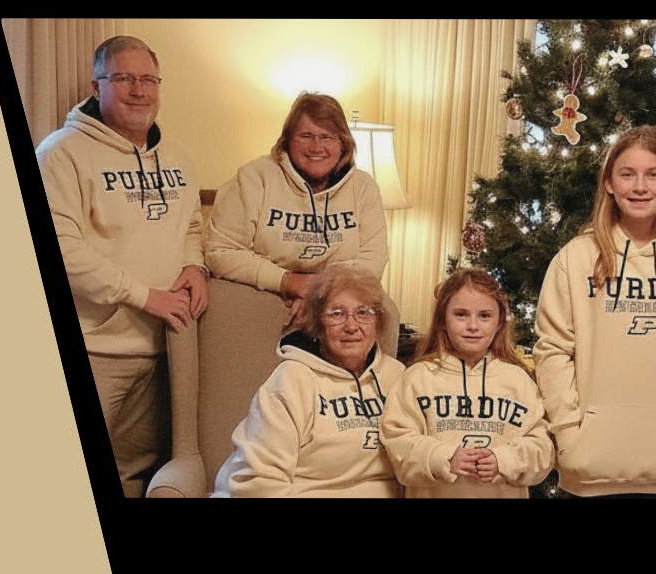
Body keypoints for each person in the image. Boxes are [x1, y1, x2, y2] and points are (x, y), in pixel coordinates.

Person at [36, 35, 208, 498]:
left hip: (163, 351)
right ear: (97, 85)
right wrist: (144, 296)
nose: (139, 90)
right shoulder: (61, 154)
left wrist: (195, 266)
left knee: (135, 474)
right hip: (95, 348)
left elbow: (192, 223)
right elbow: (60, 248)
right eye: (125, 79)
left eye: (148, 79)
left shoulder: (176, 157)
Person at [533, 125, 656, 498]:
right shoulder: (575, 259)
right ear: (609, 182)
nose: (640, 187)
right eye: (627, 174)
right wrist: (570, 430)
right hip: (587, 465)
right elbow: (553, 351)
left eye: (653, 175)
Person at [212, 263, 405, 497]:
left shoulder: (397, 377)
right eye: (337, 314)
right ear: (318, 324)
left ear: (378, 321)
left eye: (363, 312)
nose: (351, 326)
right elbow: (259, 482)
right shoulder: (291, 381)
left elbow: (419, 456)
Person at [205, 92, 388, 327]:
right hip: (261, 304)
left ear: (343, 143)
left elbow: (373, 260)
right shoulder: (254, 177)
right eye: (305, 136)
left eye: (327, 137)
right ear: (287, 140)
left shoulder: (363, 187)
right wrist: (288, 282)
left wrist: (318, 292)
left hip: (339, 305)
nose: (316, 147)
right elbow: (220, 252)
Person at [380, 268, 553, 498]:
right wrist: (443, 457)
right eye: (461, 314)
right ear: (443, 320)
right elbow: (396, 441)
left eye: (484, 316)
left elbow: (543, 447)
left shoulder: (518, 381)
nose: (473, 326)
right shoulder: (417, 378)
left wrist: (504, 461)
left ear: (500, 322)